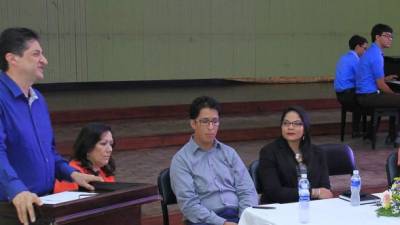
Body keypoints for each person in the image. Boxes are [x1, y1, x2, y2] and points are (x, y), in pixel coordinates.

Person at [0, 27, 102, 225]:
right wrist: (17, 190)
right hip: (11, 209)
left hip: (43, 205)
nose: (44, 61)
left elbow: (49, 152)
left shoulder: (38, 100)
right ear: (12, 58)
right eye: (36, 54)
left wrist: (71, 174)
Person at [170, 96, 258, 225]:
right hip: (205, 220)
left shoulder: (229, 153)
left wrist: (244, 219)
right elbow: (189, 205)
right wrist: (222, 223)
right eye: (205, 121)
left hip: (238, 216)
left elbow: (247, 190)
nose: (211, 127)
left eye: (215, 121)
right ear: (193, 123)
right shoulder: (182, 160)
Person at [258, 106, 333, 204]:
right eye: (286, 123)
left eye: (297, 124)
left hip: (312, 206)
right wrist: (313, 192)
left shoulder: (318, 153)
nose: (290, 127)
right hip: (279, 208)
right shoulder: (269, 152)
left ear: (305, 127)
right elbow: (274, 192)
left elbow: (325, 189)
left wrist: (318, 194)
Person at [54, 123, 116, 193]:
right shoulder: (71, 173)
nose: (110, 149)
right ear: (88, 147)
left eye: (111, 144)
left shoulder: (105, 170)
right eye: (103, 144)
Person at [334, 35, 368, 137]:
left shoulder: (343, 57)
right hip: (348, 95)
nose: (365, 52)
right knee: (367, 99)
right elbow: (363, 77)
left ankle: (357, 130)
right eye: (365, 48)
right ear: (358, 46)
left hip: (340, 95)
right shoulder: (355, 60)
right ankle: (364, 131)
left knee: (361, 96)